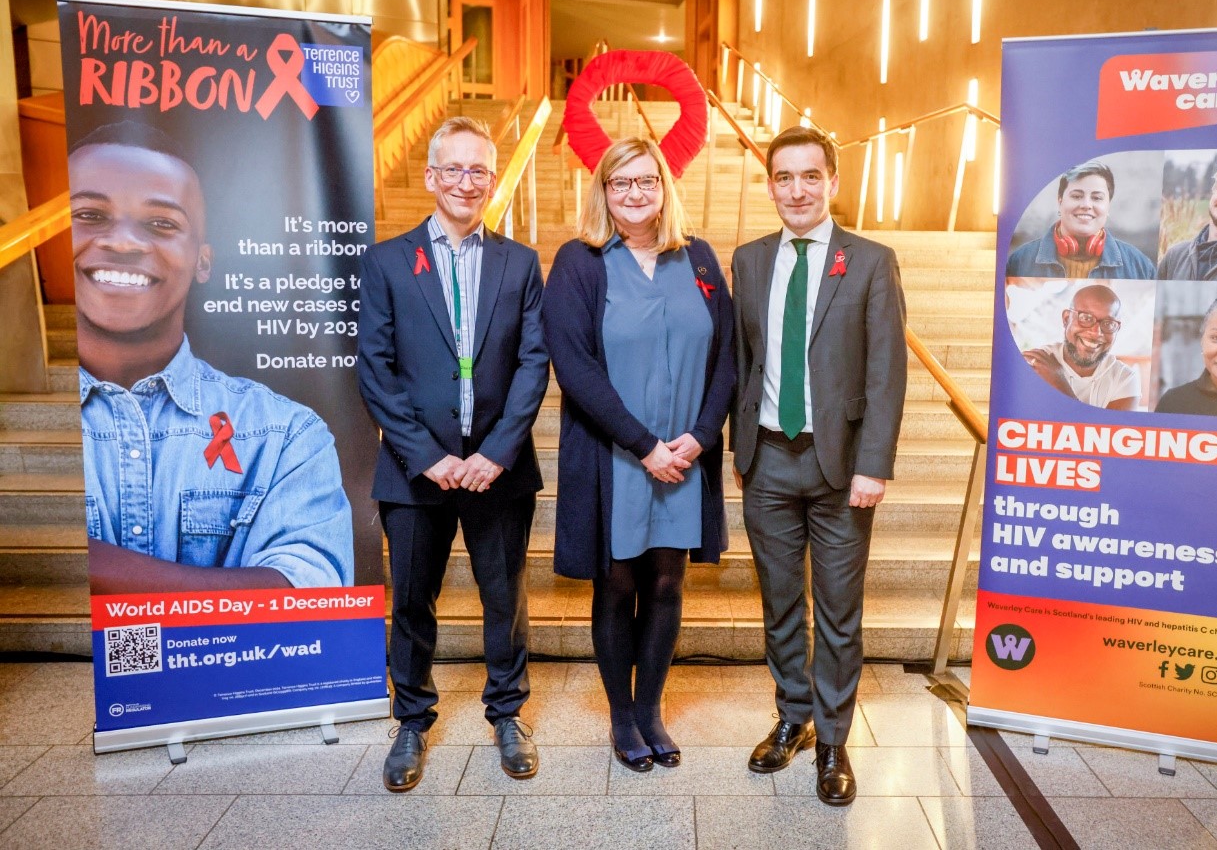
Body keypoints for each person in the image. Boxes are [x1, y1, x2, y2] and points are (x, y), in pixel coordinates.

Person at [72, 121, 353, 595]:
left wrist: (86, 565)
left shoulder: (285, 434)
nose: (123, 242)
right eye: (90, 214)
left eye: (162, 223)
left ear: (203, 260)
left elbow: (311, 597)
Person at [356, 117, 549, 790]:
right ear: (432, 176)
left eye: (479, 170)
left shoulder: (520, 263)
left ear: (492, 181)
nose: (467, 181)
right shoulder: (386, 261)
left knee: (506, 598)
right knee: (412, 599)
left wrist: (495, 452)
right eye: (454, 169)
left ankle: (507, 712)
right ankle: (411, 719)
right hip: (416, 471)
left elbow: (532, 364)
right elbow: (375, 369)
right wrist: (428, 456)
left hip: (499, 470)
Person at [543, 137, 734, 773]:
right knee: (617, 581)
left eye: (646, 181)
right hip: (615, 455)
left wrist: (701, 436)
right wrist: (644, 445)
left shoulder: (699, 258)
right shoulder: (580, 261)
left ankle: (650, 708)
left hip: (683, 454)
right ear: (603, 191)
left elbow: (728, 355)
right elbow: (573, 366)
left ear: (664, 188)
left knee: (666, 581)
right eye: (620, 182)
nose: (634, 193)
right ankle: (621, 717)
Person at [730, 126, 907, 806]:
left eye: (810, 176)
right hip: (767, 459)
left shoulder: (868, 260)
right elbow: (741, 362)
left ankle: (833, 738)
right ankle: (793, 717)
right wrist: (737, 448)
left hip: (841, 470)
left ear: (832, 182)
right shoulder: (747, 260)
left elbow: (886, 371)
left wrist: (874, 463)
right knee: (779, 604)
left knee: (837, 611)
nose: (796, 190)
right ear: (769, 183)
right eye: (783, 177)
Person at [1006, 160, 1156, 279]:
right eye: (1076, 196)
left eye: (1097, 198)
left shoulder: (1140, 266)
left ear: (1108, 206)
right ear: (1060, 201)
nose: (1086, 205)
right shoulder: (1019, 261)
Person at [1022, 283, 1140, 410]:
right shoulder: (1034, 364)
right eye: (1086, 318)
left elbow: (1109, 430)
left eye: (1109, 323)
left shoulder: (1124, 379)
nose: (1096, 333)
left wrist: (1059, 382)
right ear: (1066, 319)